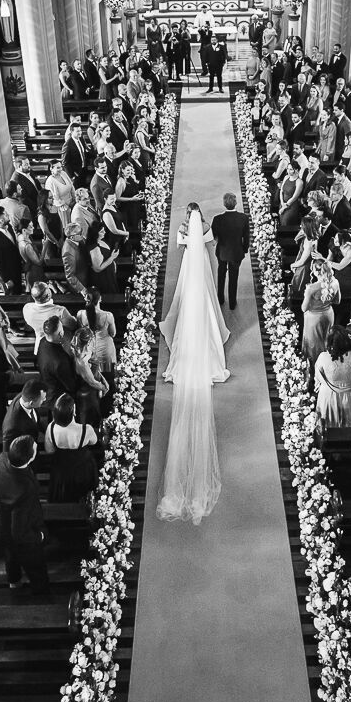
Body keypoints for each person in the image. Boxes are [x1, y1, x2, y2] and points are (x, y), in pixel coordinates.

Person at [157, 203, 229, 524]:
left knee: (185, 303)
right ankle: (211, 345)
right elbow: (210, 243)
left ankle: (185, 354)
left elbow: (179, 246)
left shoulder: (183, 232)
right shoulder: (205, 232)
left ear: (188, 217)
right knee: (205, 309)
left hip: (190, 268)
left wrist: (186, 235)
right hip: (200, 269)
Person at [0, 435, 51, 596]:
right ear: (30, 457)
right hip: (26, 535)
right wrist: (38, 536)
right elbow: (19, 532)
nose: (36, 447)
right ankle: (42, 598)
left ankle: (14, 584)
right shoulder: (25, 488)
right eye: (35, 448)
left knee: (11, 560)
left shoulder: (1, 459)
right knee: (37, 571)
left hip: (3, 523)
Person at [44, 393, 100, 502]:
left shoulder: (51, 428)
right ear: (73, 412)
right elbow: (94, 442)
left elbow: (49, 450)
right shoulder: (86, 429)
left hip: (61, 471)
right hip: (82, 469)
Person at [314, 326, 351, 428]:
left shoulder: (323, 357)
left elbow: (318, 377)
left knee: (326, 426)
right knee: (347, 426)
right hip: (347, 395)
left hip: (328, 396)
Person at [211, 192, 250, 310]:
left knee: (221, 274)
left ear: (224, 204)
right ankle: (232, 303)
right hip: (236, 252)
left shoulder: (217, 219)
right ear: (236, 203)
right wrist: (244, 249)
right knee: (234, 277)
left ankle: (220, 299)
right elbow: (246, 237)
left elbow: (214, 235)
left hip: (222, 252)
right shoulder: (243, 218)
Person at [301, 256, 340, 368]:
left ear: (315, 271)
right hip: (328, 314)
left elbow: (304, 308)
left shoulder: (312, 288)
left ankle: (314, 369)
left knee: (314, 344)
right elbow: (337, 301)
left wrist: (306, 295)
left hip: (314, 318)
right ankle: (327, 364)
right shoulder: (336, 282)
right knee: (326, 340)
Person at [36, 316, 80, 402]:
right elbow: (71, 386)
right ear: (61, 334)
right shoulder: (60, 362)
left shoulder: (42, 342)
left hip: (47, 387)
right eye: (62, 328)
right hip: (58, 399)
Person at [1, 377, 46, 454]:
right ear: (31, 403)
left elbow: (36, 420)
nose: (45, 399)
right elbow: (7, 452)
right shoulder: (12, 426)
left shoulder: (25, 396)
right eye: (42, 399)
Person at [0, 208, 23, 294]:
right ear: (1, 220)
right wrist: (6, 280)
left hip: (15, 268)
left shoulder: (8, 226)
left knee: (19, 291)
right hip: (8, 274)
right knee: (13, 295)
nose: (8, 215)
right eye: (6, 215)